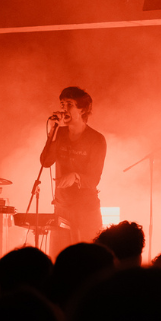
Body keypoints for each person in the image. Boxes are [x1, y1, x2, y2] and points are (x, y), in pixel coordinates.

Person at [39, 87, 107, 248]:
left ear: (82, 110)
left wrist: (75, 177)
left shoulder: (96, 139)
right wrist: (52, 132)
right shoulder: (59, 133)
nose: (64, 109)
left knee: (87, 257)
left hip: (86, 210)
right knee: (59, 256)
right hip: (62, 208)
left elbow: (94, 179)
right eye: (62, 104)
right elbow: (46, 162)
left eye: (69, 104)